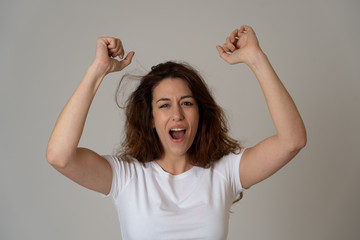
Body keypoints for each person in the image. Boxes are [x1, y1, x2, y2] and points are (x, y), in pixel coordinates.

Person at [46, 25, 306, 239]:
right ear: (150, 119)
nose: (177, 114)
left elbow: (292, 141)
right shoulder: (126, 176)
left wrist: (256, 59)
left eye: (187, 103)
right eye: (164, 105)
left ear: (200, 113)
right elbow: (60, 156)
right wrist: (97, 71)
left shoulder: (225, 172)